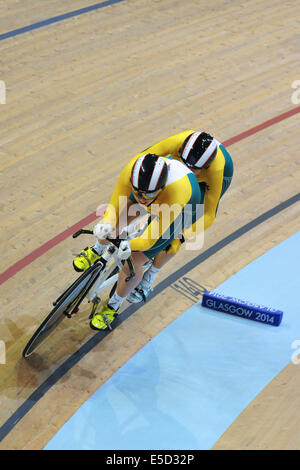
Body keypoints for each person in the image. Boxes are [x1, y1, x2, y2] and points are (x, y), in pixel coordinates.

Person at [73, 153, 203, 330]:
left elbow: (150, 240)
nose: (142, 198)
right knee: (113, 227)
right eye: (138, 192)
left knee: (133, 262)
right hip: (153, 190)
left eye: (147, 195)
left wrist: (131, 245)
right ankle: (96, 250)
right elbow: (114, 206)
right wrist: (107, 224)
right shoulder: (135, 177)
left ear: (161, 187)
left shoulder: (178, 193)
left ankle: (113, 306)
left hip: (182, 207)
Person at [125, 130, 234, 303]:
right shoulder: (177, 142)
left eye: (193, 168)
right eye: (183, 162)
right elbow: (141, 159)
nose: (186, 168)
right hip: (182, 179)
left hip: (204, 186)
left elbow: (208, 215)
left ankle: (149, 277)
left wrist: (183, 235)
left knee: (173, 236)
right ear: (181, 151)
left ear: (204, 168)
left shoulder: (217, 170)